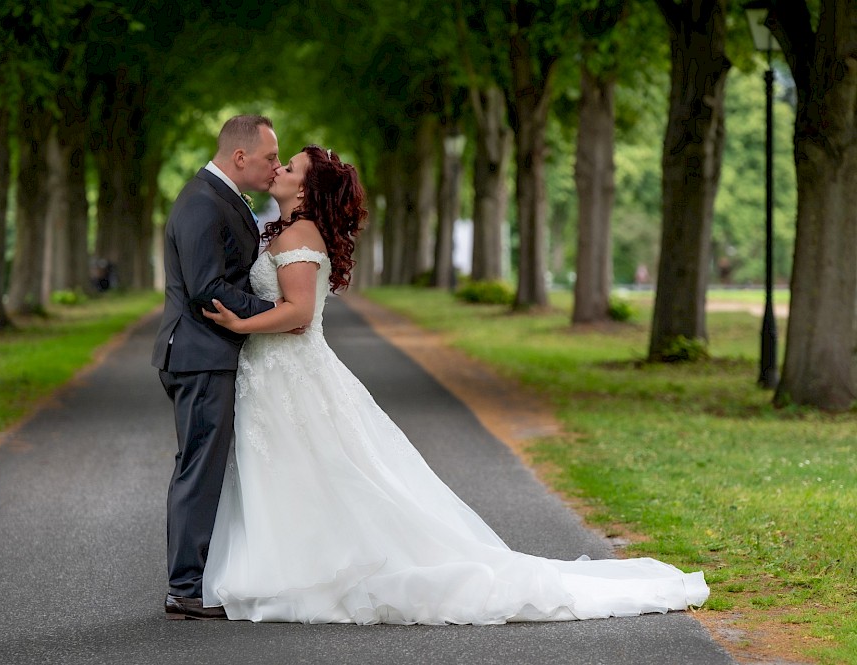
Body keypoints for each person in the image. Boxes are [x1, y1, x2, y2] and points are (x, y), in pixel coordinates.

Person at [201, 145, 710, 624]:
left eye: (290, 168)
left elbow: (299, 314)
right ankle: (291, 567)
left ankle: (306, 573)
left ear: (308, 192)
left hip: (292, 371)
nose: (279, 171)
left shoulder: (298, 236)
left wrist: (240, 325)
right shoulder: (287, 232)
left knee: (320, 472)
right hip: (278, 373)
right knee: (301, 473)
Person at [151, 115, 281, 620]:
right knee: (198, 469)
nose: (275, 165)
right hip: (200, 355)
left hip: (207, 354)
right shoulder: (203, 203)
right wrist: (272, 315)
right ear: (241, 156)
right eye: (270, 157)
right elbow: (207, 289)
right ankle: (184, 588)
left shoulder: (218, 197)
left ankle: (197, 580)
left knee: (203, 465)